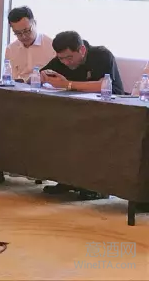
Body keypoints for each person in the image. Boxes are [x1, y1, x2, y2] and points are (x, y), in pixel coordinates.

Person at [38, 30, 123, 200]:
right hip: (76, 111)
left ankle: (97, 187)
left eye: (69, 58)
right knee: (55, 131)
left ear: (82, 50)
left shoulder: (102, 55)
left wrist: (68, 84)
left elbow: (104, 85)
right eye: (61, 59)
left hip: (109, 111)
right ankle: (67, 180)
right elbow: (40, 74)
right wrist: (44, 77)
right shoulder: (61, 60)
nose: (65, 62)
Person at [0, 6, 55, 185]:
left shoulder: (51, 46)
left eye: (27, 31)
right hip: (19, 97)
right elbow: (10, 78)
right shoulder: (12, 49)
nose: (24, 36)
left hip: (45, 99)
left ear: (35, 23)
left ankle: (32, 168)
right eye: (18, 33)